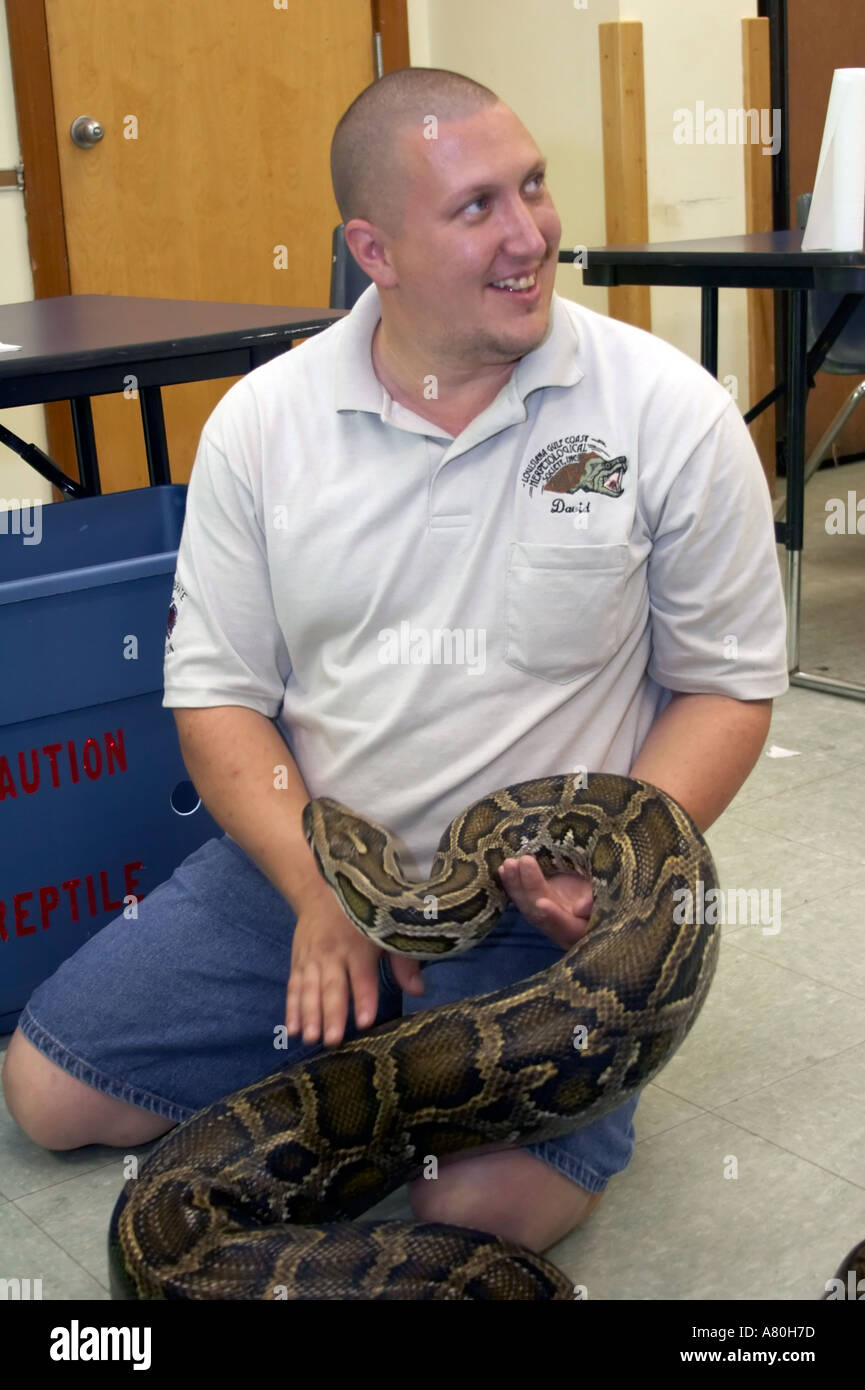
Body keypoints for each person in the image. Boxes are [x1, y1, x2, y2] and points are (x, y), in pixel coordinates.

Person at [2, 66, 788, 1258]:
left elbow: (726, 682)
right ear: (373, 248)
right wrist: (318, 896)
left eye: (532, 187)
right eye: (477, 208)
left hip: (538, 912)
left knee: (475, 1218)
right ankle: (370, 1056)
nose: (531, 236)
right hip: (312, 859)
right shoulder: (262, 426)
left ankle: (461, 1069)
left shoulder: (669, 413)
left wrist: (619, 889)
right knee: (48, 1096)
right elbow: (216, 697)